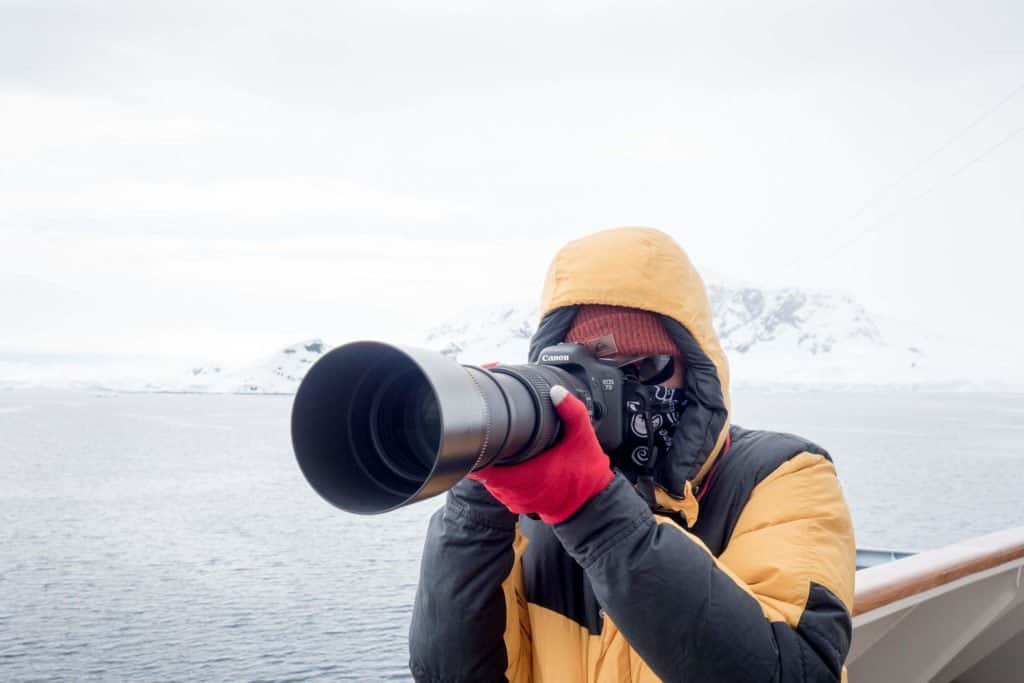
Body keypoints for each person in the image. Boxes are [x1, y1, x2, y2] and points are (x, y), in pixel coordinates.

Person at [408, 227, 856, 682]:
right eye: (579, 367)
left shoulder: (782, 475)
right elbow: (452, 674)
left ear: (698, 372)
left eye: (643, 368)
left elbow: (798, 672)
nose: (615, 391)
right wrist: (477, 505)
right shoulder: (526, 511)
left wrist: (592, 512)